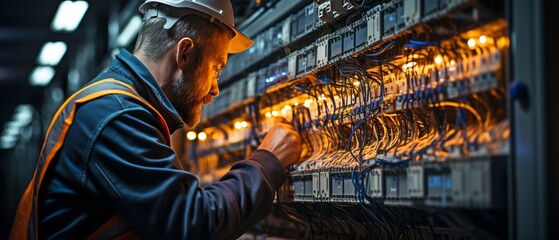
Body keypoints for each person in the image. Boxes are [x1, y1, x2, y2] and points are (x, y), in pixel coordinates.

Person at [10, 0, 302, 239]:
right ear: (184, 54)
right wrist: (268, 162)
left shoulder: (117, 105)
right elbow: (193, 225)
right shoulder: (116, 116)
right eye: (216, 68)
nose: (215, 88)